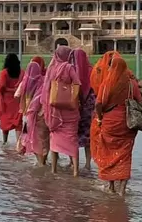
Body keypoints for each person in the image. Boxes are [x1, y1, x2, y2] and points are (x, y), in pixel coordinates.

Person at [90, 51, 142, 196]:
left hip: (110, 122)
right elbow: (140, 101)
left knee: (108, 153)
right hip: (127, 123)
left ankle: (111, 187)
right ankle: (122, 190)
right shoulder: (131, 83)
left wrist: (100, 118)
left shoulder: (107, 83)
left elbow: (98, 104)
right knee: (125, 155)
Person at [40, 45, 80, 177]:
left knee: (55, 140)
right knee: (72, 139)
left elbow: (46, 89)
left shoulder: (51, 69)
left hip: (54, 110)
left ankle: (54, 169)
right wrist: (70, 95)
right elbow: (77, 83)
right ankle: (75, 171)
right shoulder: (68, 67)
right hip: (69, 109)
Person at [15, 59, 50, 165]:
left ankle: (40, 161)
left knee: (33, 137)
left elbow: (16, 96)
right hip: (42, 115)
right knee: (44, 137)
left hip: (28, 115)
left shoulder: (24, 83)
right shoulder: (42, 81)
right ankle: (43, 159)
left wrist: (24, 105)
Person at [70, 48, 96, 171]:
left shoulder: (72, 71)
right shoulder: (92, 71)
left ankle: (72, 163)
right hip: (89, 109)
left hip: (74, 108)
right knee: (87, 137)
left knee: (72, 136)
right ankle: (87, 163)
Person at [0, 53, 23, 145]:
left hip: (6, 101)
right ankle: (18, 143)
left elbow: (2, 87)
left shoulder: (4, 73)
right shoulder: (22, 72)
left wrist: (10, 90)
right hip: (18, 101)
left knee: (5, 121)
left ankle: (5, 141)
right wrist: (16, 90)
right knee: (18, 122)